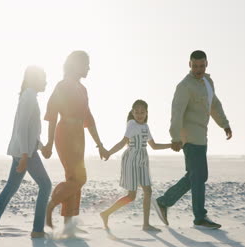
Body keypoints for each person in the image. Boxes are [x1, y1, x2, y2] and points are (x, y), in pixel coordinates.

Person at [153, 50, 232, 229]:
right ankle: (199, 217)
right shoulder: (185, 86)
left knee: (197, 176)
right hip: (189, 137)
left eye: (202, 65)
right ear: (189, 64)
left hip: (202, 136)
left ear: (206, 64)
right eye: (195, 66)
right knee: (198, 177)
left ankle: (164, 202)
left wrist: (224, 124)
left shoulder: (207, 82)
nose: (198, 69)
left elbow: (214, 105)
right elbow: (177, 112)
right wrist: (175, 137)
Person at [0, 66, 52, 238]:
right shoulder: (28, 97)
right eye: (43, 78)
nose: (46, 82)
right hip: (25, 152)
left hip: (24, 151)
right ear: (34, 79)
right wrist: (24, 155)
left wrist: (41, 146)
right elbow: (21, 129)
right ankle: (37, 230)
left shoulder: (29, 96)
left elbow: (30, 131)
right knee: (45, 185)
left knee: (11, 186)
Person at [41, 50, 107, 229]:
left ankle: (68, 225)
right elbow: (52, 114)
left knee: (74, 178)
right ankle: (51, 204)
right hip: (65, 133)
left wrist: (100, 145)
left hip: (79, 134)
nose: (89, 68)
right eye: (86, 64)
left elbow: (89, 118)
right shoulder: (62, 86)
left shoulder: (83, 89)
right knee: (79, 178)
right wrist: (48, 143)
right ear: (76, 65)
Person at [99, 100, 172, 231]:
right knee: (131, 196)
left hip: (143, 159)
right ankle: (106, 214)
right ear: (132, 112)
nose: (139, 114)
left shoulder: (146, 126)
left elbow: (154, 146)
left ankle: (146, 224)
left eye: (142, 112)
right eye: (136, 112)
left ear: (146, 113)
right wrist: (109, 152)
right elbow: (122, 143)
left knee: (148, 191)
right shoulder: (132, 124)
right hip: (131, 159)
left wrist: (171, 145)